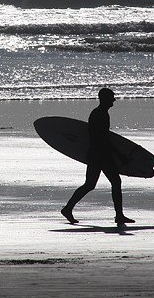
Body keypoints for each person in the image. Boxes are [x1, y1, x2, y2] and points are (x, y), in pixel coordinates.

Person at [60, 88, 135, 225]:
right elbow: (102, 138)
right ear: (104, 98)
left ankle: (68, 208)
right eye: (112, 97)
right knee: (108, 183)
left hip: (97, 154)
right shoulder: (99, 114)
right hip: (100, 155)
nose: (114, 99)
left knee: (93, 184)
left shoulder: (100, 113)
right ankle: (118, 215)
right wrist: (119, 155)